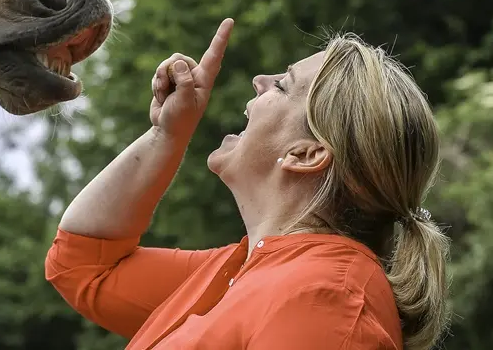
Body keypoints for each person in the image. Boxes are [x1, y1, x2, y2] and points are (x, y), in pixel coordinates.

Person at [45, 18, 451, 350]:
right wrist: (166, 135)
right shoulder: (240, 268)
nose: (259, 80)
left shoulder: (326, 298)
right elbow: (83, 265)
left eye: (281, 85)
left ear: (306, 154)